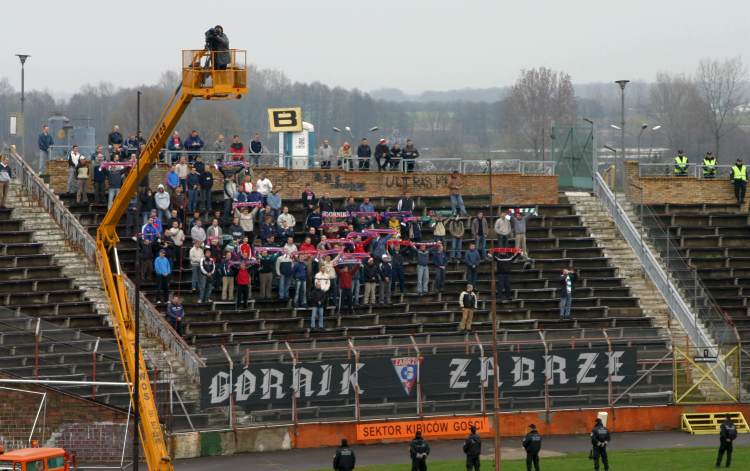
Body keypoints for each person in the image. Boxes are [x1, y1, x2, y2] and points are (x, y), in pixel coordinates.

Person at [311, 265, 330, 330]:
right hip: (315, 304)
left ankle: (321, 326)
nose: (323, 269)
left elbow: (328, 283)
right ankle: (313, 326)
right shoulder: (317, 275)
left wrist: (325, 289)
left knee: (321, 315)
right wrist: (318, 301)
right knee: (313, 315)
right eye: (322, 268)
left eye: (324, 268)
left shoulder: (327, 275)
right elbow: (313, 297)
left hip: (323, 296)